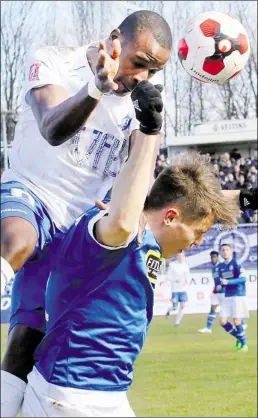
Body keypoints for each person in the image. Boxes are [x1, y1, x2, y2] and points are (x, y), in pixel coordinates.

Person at [0, 10, 172, 417]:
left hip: (78, 225)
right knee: (16, 241)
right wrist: (96, 88)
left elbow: (138, 179)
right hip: (32, 191)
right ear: (115, 39)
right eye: (139, 63)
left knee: (28, 338)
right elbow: (53, 128)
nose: (142, 78)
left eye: (155, 71)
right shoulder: (56, 60)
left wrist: (151, 128)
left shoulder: (139, 103)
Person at [20, 147, 239, 417]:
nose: (198, 243)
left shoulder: (147, 235)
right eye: (199, 232)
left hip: (102, 393)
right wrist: (148, 131)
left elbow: (195, 201)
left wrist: (248, 197)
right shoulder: (126, 231)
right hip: (73, 395)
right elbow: (122, 222)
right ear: (171, 217)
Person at [219, 244, 249, 352]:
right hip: (227, 296)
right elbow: (223, 281)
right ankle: (240, 336)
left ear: (231, 251)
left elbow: (243, 279)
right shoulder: (221, 267)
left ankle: (244, 345)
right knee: (222, 321)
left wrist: (228, 282)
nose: (225, 252)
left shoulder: (237, 263)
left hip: (238, 294)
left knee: (236, 320)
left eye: (227, 250)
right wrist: (220, 285)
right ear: (220, 253)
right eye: (223, 250)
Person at [198, 250, 224, 333]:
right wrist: (214, 289)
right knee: (212, 309)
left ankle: (240, 323)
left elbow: (226, 279)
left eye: (214, 257)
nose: (213, 259)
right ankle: (208, 328)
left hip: (224, 292)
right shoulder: (214, 269)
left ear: (218, 258)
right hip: (216, 293)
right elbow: (216, 281)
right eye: (212, 257)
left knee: (229, 309)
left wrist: (222, 286)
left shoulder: (222, 267)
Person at [165, 251, 190, 327]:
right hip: (175, 290)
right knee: (175, 307)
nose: (180, 257)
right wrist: (175, 279)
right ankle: (168, 311)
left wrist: (187, 282)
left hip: (183, 290)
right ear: (176, 256)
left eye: (182, 256)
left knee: (183, 306)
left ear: (184, 257)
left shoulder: (186, 266)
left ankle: (177, 323)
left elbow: (188, 277)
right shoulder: (172, 265)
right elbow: (167, 277)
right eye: (179, 256)